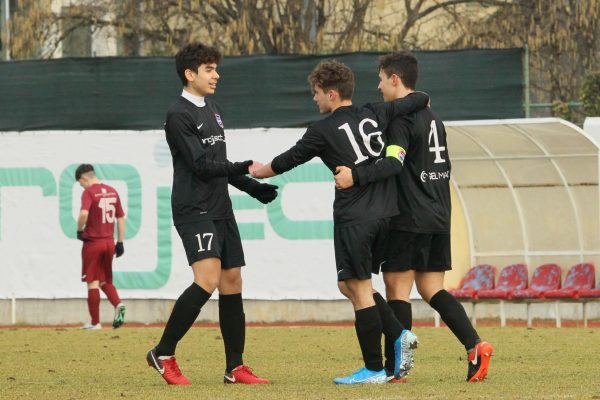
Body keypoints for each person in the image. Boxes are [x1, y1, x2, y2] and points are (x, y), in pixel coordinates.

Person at [251, 59, 428, 384]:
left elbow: (289, 159)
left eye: (316, 93)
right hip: (388, 214)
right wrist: (418, 99)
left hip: (355, 217)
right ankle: (395, 337)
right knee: (348, 284)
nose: (315, 99)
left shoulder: (322, 130)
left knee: (359, 289)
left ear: (331, 94)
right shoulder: (376, 112)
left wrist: (260, 171)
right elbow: (419, 99)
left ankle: (376, 365)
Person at [334, 51, 494, 382]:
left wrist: (357, 176)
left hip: (409, 214)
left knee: (396, 288)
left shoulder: (401, 120)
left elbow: (394, 163)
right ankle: (475, 345)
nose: (378, 87)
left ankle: (396, 369)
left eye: (380, 79)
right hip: (438, 212)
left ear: (395, 79)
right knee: (432, 288)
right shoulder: (432, 115)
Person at [146, 42, 277, 386]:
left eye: (216, 68)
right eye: (209, 69)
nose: (216, 75)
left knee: (232, 281)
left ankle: (235, 367)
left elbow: (219, 165)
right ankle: (162, 353)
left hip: (220, 207)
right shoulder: (178, 114)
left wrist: (250, 186)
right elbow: (201, 165)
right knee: (206, 280)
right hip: (194, 208)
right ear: (190, 74)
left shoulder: (214, 109)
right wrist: (244, 165)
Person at [75, 163, 126, 330]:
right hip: (109, 242)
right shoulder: (112, 190)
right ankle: (118, 304)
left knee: (92, 282)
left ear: (84, 178)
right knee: (104, 280)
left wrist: (79, 230)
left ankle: (95, 322)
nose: (81, 185)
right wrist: (120, 242)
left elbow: (84, 213)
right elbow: (120, 218)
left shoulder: (89, 192)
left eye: (80, 182)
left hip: (93, 242)